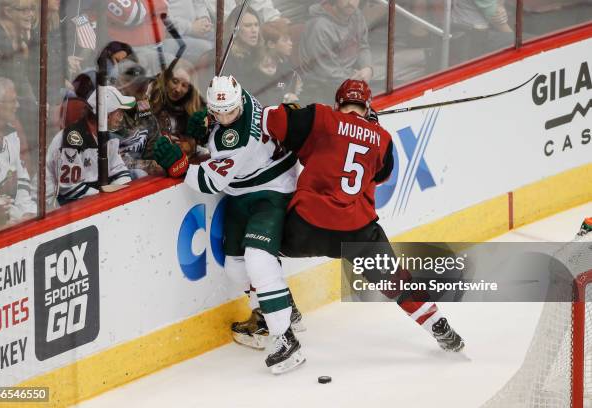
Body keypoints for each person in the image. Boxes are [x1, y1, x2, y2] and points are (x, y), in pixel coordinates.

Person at [257, 79, 465, 352]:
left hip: (307, 226)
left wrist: (292, 108)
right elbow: (382, 174)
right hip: (358, 231)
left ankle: (285, 309)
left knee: (259, 252)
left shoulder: (319, 117)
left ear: (337, 103)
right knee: (395, 280)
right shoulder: (383, 139)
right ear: (367, 108)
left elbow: (269, 118)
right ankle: (438, 324)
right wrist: (370, 130)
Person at [153, 75, 305, 374]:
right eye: (218, 111)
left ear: (238, 103)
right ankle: (280, 310)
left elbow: (209, 181)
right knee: (236, 266)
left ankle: (285, 339)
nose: (225, 116)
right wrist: (208, 126)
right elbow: (221, 125)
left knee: (258, 260)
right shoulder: (241, 97)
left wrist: (180, 166)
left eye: (229, 112)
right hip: (243, 190)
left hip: (272, 189)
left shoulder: (238, 138)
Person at [46, 86, 134, 206]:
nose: (121, 118)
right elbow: (70, 190)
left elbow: (120, 171)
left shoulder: (107, 137)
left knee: (138, 174)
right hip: (58, 204)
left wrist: (116, 195)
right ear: (106, 116)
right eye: (119, 113)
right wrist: (106, 199)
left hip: (93, 197)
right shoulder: (71, 139)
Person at [0, 76, 36, 223]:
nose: (17, 105)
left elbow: (22, 179)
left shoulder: (13, 133)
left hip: (15, 216)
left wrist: (26, 212)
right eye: (12, 101)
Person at [298, 0, 373, 104]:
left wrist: (367, 67)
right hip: (320, 90)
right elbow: (326, 72)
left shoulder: (356, 15)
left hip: (350, 80)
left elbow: (363, 46)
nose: (350, 2)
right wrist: (357, 78)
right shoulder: (319, 26)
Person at [149, 57, 205, 156]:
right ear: (166, 80)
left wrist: (187, 146)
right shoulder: (150, 95)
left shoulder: (195, 107)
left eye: (184, 85)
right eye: (175, 81)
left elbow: (194, 141)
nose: (178, 89)